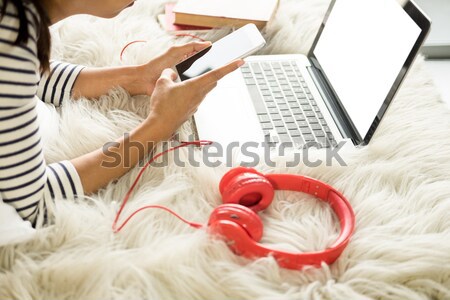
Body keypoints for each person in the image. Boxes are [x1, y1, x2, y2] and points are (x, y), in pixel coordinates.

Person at [0, 0, 243, 228]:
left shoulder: (15, 21)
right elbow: (33, 201)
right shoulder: (10, 48)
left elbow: (33, 76)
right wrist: (160, 124)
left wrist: (136, 77)